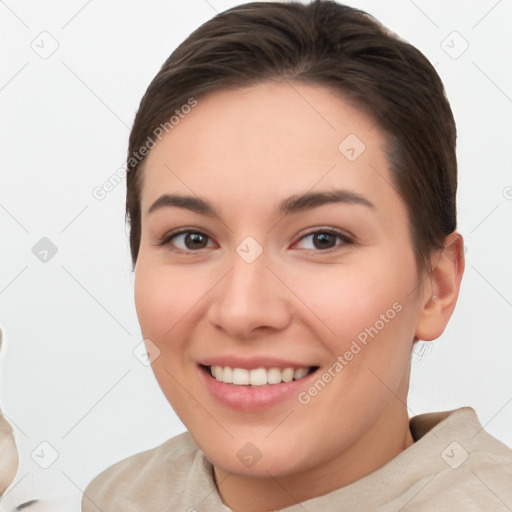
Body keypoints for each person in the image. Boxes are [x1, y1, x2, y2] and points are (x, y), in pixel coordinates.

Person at [81, 1, 512, 510]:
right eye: (192, 239)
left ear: (436, 286)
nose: (242, 311)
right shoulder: (120, 498)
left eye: (322, 239)